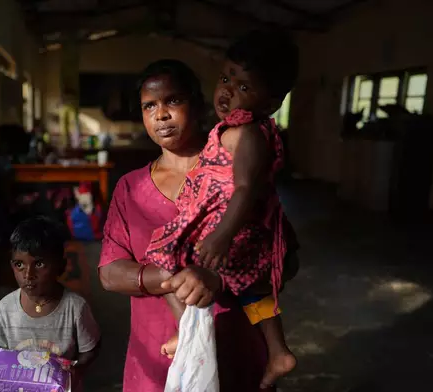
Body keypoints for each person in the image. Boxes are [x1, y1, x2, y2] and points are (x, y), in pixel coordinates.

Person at [99, 59, 270, 392]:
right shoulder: (129, 188)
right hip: (155, 357)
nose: (161, 114)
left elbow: (280, 258)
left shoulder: (234, 167)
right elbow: (109, 273)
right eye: (149, 105)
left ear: (197, 104)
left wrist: (216, 279)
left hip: (233, 348)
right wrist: (171, 278)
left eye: (173, 101)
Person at [146, 30, 300, 389]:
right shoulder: (235, 129)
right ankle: (278, 351)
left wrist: (222, 235)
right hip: (237, 229)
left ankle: (189, 334)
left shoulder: (248, 134)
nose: (228, 91)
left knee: (163, 257)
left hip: (234, 230)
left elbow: (245, 187)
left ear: (273, 101)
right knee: (252, 289)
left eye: (244, 87)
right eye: (226, 78)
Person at [0, 216, 101, 390]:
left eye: (39, 263)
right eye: (19, 264)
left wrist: (77, 370)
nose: (28, 274)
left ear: (61, 266)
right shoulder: (4, 309)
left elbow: (91, 348)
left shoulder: (75, 308)